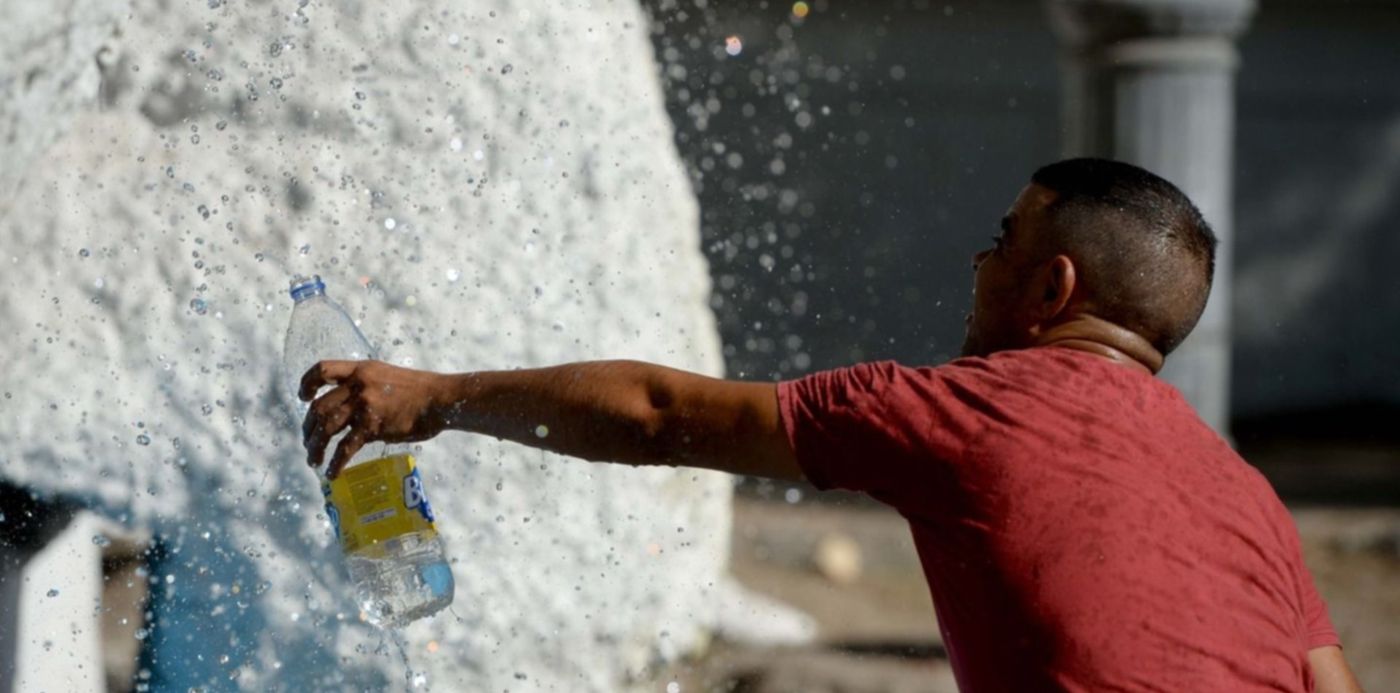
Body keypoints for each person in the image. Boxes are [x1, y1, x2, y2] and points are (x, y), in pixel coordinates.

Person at [298, 158, 1362, 692]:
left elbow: (664, 415)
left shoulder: (969, 411)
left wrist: (431, 397)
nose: (977, 261)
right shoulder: (1244, 494)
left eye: (999, 240)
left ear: (1051, 286)